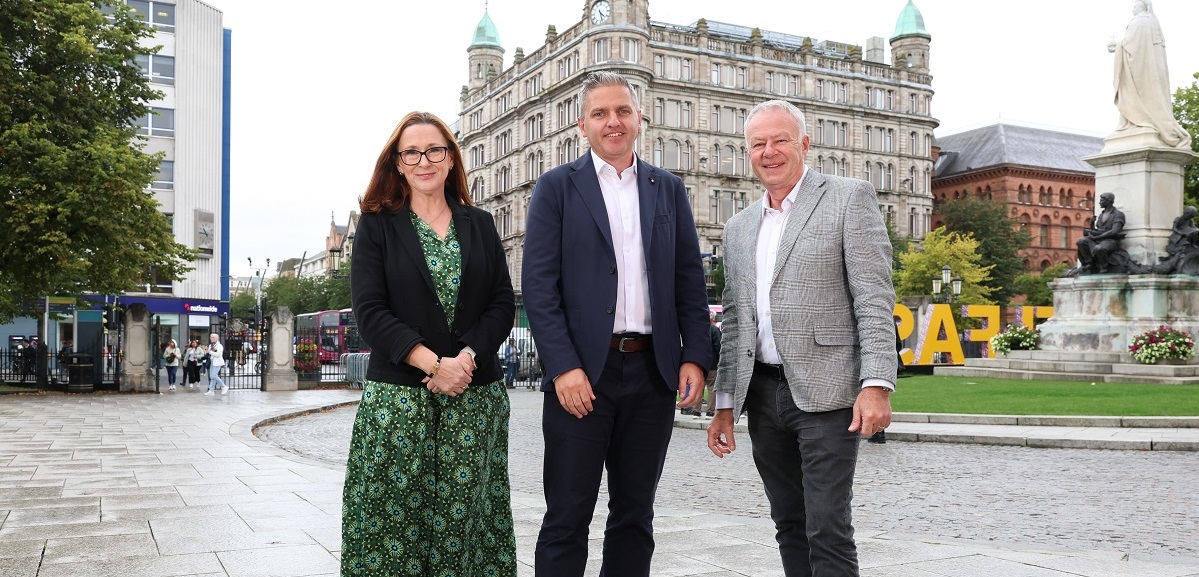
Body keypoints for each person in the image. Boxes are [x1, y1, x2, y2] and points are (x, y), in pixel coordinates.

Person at [522, 71, 712, 577]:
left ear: (640, 120)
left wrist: (694, 355)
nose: (614, 122)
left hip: (652, 374)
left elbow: (689, 281)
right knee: (567, 514)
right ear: (582, 125)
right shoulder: (556, 188)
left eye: (623, 111)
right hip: (582, 375)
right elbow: (540, 289)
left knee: (635, 516)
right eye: (601, 114)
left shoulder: (668, 189)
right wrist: (563, 368)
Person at [706, 99, 896, 577]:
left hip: (829, 393)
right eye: (758, 143)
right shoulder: (738, 226)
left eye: (780, 140)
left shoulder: (850, 198)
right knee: (788, 522)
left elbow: (873, 298)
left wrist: (876, 384)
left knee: (827, 528)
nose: (769, 152)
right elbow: (735, 318)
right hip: (764, 397)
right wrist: (725, 401)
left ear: (805, 144)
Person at [343, 111, 517, 576]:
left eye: (434, 150)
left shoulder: (480, 224)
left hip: (473, 399)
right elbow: (371, 310)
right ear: (397, 163)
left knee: (467, 527)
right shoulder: (376, 226)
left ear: (450, 158)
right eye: (412, 152)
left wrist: (465, 359)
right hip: (400, 402)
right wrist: (432, 364)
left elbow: (502, 302)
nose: (424, 160)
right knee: (391, 529)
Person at [1109, 0, 1191, 148]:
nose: (1132, 10)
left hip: (1138, 74)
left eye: (1134, 6)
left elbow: (1131, 46)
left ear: (1141, 7)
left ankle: (1138, 121)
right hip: (1151, 75)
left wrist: (1117, 46)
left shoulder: (1138, 22)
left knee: (1135, 97)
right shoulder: (1153, 24)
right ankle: (1144, 123)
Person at [1075, 193, 1127, 274]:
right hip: (1100, 239)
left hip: (1111, 240)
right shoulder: (1101, 215)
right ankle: (1089, 264)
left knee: (1099, 248)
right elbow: (1098, 230)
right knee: (1081, 241)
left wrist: (1097, 237)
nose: (1099, 202)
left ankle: (1104, 267)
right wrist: (1092, 225)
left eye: (1102, 200)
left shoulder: (1118, 214)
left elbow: (1114, 231)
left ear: (1109, 201)